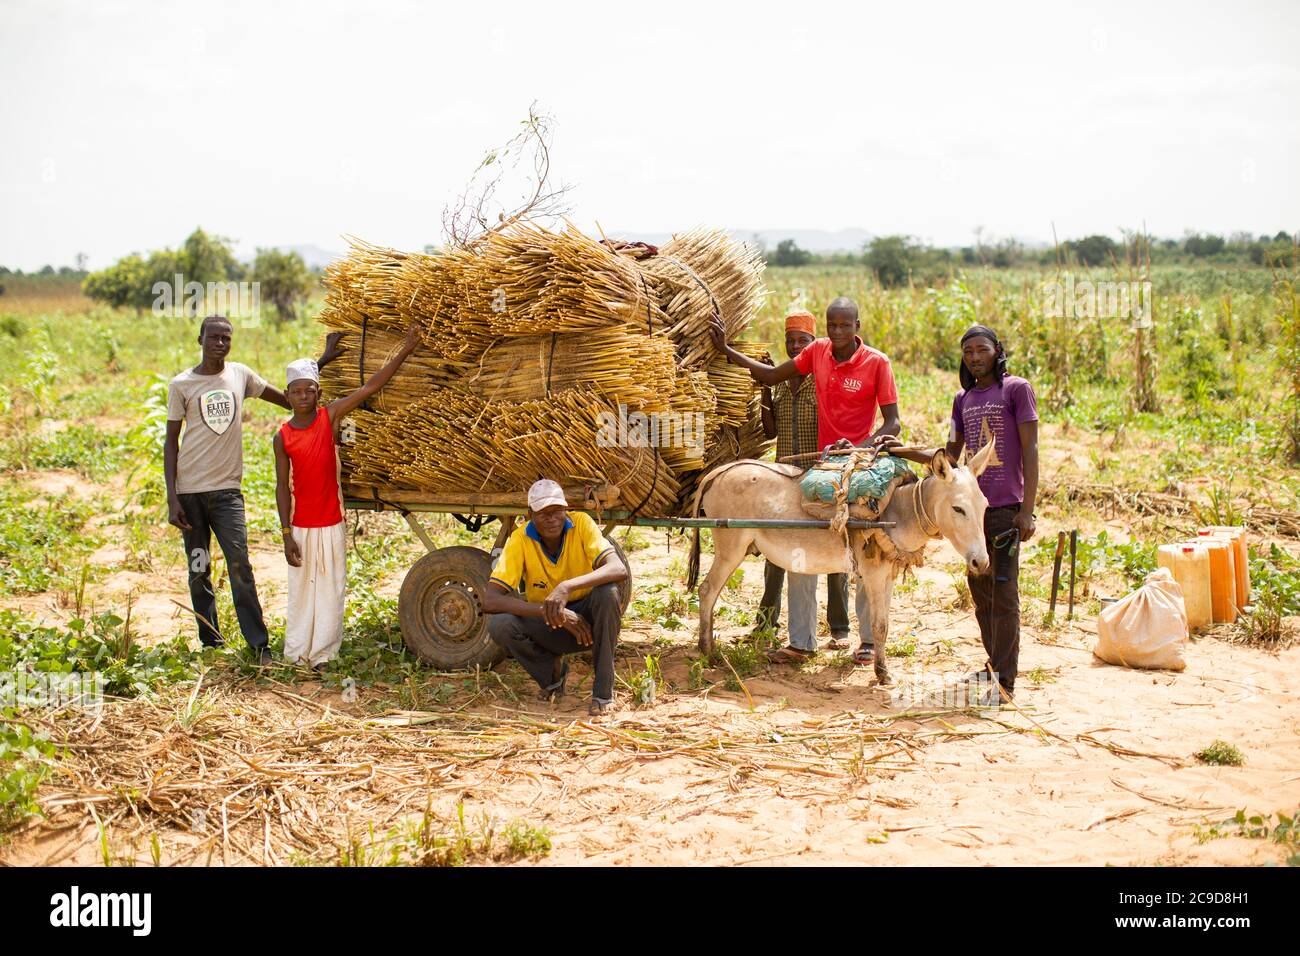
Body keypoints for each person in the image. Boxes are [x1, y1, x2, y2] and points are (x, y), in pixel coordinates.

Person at [708, 297, 901, 666]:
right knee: (802, 547)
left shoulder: (878, 362)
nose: (838, 333)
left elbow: (893, 424)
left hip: (862, 469)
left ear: (858, 326)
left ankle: (865, 642)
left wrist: (859, 448)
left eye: (846, 326)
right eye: (832, 325)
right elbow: (768, 376)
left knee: (866, 551)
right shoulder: (818, 353)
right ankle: (801, 641)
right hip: (820, 470)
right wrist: (726, 349)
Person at [164, 315, 340, 663]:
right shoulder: (181, 385)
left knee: (240, 564)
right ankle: (210, 641)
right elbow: (171, 442)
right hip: (190, 492)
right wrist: (172, 497)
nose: (219, 343)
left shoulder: (240, 375)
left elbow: (291, 397)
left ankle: (258, 646)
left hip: (227, 492)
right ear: (199, 339)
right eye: (213, 337)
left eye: (226, 338)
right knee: (199, 567)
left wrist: (318, 364)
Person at [879, 324, 1038, 702]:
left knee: (1004, 593)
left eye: (981, 349)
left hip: (1003, 509)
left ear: (997, 350)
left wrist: (1027, 511)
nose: (974, 357)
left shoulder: (1017, 390)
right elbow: (950, 455)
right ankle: (993, 665)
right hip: (969, 511)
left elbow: (1031, 451)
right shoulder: (962, 399)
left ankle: (1006, 682)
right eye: (968, 352)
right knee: (980, 591)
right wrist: (902, 451)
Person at [274, 324, 421, 668]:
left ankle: (324, 653)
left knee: (330, 588)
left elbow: (372, 386)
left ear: (319, 392)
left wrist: (407, 347)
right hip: (300, 526)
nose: (304, 397)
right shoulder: (282, 437)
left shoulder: (330, 416)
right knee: (301, 590)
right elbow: (282, 487)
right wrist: (285, 535)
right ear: (288, 394)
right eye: (297, 392)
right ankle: (297, 652)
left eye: (310, 391)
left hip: (330, 522)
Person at [484, 480, 629, 716]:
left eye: (557, 511)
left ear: (566, 509)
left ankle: (603, 692)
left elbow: (618, 569)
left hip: (589, 623)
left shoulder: (581, 523)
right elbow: (491, 600)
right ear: (530, 515)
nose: (552, 519)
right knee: (501, 625)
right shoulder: (520, 539)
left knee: (607, 592)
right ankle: (552, 678)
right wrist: (552, 613)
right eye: (543, 514)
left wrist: (566, 587)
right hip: (550, 622)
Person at [754, 308, 851, 650]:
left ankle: (839, 627)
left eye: (803, 341)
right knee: (777, 549)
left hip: (819, 475)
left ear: (814, 344)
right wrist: (766, 388)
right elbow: (770, 430)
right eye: (790, 341)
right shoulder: (781, 382)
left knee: (831, 547)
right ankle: (766, 621)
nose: (795, 347)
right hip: (784, 476)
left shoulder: (823, 380)